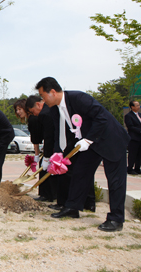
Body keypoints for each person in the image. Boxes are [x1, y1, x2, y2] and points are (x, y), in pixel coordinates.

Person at [36, 77, 130, 232]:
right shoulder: (55, 109)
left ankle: (116, 219)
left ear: (52, 92)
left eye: (43, 96)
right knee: (80, 173)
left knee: (115, 180)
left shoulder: (79, 98)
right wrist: (56, 154)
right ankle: (72, 208)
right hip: (89, 144)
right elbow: (59, 132)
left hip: (110, 140)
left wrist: (89, 139)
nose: (43, 100)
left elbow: (101, 118)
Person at [24, 96, 58, 202]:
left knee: (51, 172)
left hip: (54, 147)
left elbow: (48, 136)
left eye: (32, 111)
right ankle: (48, 195)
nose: (34, 114)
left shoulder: (44, 114)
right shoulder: (42, 113)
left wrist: (46, 157)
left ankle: (51, 196)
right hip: (49, 147)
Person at [125, 100, 141, 175]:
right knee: (132, 154)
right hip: (134, 138)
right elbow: (130, 127)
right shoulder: (128, 116)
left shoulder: (140, 115)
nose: (139, 107)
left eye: (139, 105)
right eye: (137, 105)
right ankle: (130, 168)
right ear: (132, 107)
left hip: (140, 138)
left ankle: (137, 168)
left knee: (139, 154)